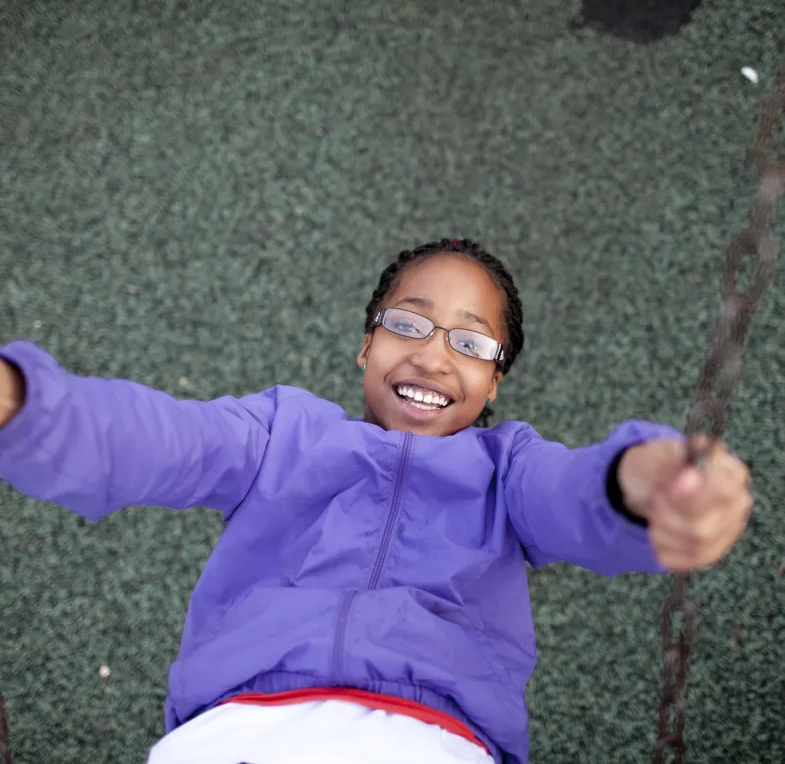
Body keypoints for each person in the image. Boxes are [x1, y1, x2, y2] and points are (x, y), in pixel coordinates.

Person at [0, 238, 752, 764]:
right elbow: (158, 438)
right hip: (239, 730)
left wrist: (640, 479)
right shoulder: (276, 433)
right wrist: (25, 405)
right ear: (367, 343)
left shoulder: (507, 469)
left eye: (471, 341)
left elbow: (575, 495)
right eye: (407, 322)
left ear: (494, 383)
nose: (431, 352)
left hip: (429, 738)